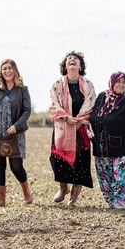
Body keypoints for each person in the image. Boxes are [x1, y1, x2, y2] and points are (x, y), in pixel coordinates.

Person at [0, 58, 33, 207]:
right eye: (4, 69)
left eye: (10, 68)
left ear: (15, 71)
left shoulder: (22, 89)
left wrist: (16, 126)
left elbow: (27, 110)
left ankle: (26, 190)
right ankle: (1, 199)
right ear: (0, 72)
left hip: (15, 132)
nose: (7, 71)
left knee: (16, 166)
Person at [89, 71, 125, 209]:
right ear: (111, 82)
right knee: (105, 177)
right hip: (102, 146)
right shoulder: (103, 96)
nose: (121, 84)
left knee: (121, 176)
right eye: (118, 81)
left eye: (123, 82)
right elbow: (94, 115)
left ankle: (120, 201)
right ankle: (110, 201)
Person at [49, 51, 96, 206]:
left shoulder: (88, 84)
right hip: (62, 127)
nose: (72, 60)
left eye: (76, 59)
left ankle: (73, 199)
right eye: (69, 59)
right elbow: (53, 104)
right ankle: (63, 188)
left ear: (80, 66)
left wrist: (78, 121)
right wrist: (66, 118)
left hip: (80, 127)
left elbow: (90, 104)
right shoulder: (57, 84)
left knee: (81, 164)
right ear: (65, 66)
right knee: (58, 160)